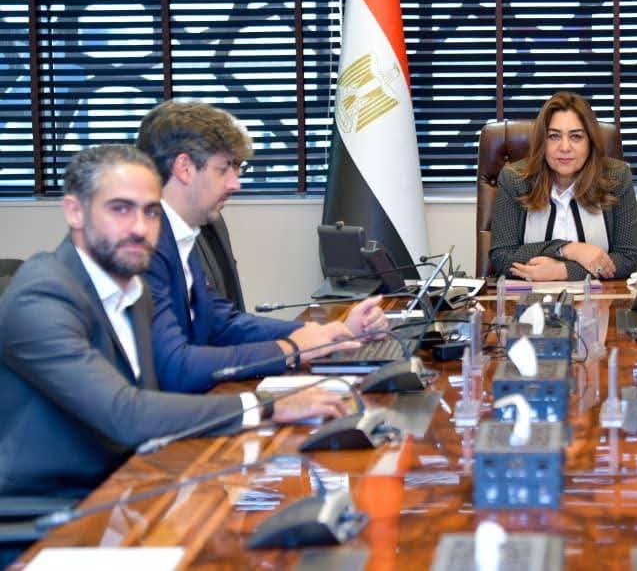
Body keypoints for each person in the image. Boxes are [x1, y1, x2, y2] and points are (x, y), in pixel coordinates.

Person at [0, 145, 349, 504]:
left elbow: (155, 399)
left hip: (132, 481)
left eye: (151, 212)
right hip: (49, 509)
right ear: (75, 211)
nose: (140, 228)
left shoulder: (133, 287)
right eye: (120, 209)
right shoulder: (41, 296)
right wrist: (269, 405)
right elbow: (127, 414)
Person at [136, 100, 387, 393]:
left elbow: (220, 323)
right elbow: (175, 368)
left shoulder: (182, 231)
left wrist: (328, 333)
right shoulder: (142, 247)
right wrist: (289, 349)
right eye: (223, 169)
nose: (235, 184)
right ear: (184, 168)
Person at [489, 91, 637, 281]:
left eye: (576, 136)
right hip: (530, 298)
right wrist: (569, 249)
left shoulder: (616, 177)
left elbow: (628, 257)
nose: (564, 147)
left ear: (590, 141)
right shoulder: (515, 180)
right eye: (554, 136)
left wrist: (562, 271)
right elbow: (502, 257)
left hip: (599, 297)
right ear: (542, 141)